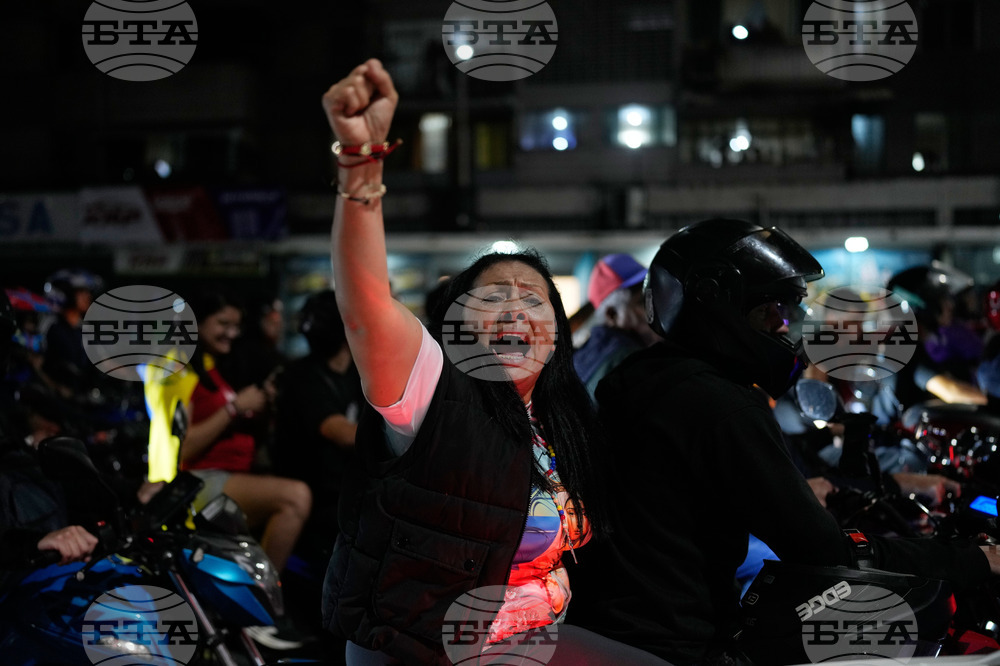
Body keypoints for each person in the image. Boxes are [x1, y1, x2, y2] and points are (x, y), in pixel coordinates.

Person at [320, 59, 668, 665]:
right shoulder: (432, 393)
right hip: (420, 648)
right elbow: (368, 305)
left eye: (532, 299)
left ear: (558, 335)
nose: (513, 309)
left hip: (524, 638)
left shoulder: (564, 420)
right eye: (491, 298)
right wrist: (361, 164)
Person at [565, 219, 1000, 666]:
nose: (783, 323)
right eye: (767, 307)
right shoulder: (721, 404)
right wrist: (976, 560)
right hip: (678, 645)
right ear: (717, 306)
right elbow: (825, 552)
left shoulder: (642, 379)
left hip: (616, 624)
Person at [178, 290, 311, 577]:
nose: (232, 333)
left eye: (236, 326)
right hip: (202, 480)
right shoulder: (181, 371)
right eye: (222, 324)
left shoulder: (214, 368)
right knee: (296, 497)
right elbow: (184, 448)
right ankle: (264, 596)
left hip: (230, 475)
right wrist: (235, 408)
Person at [273, 289, 360, 562]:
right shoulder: (303, 377)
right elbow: (340, 432)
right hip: (320, 499)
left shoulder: (354, 373)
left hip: (346, 491)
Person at [573, 253, 660, 400]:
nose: (654, 310)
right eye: (642, 302)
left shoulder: (582, 355)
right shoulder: (630, 361)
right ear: (612, 314)